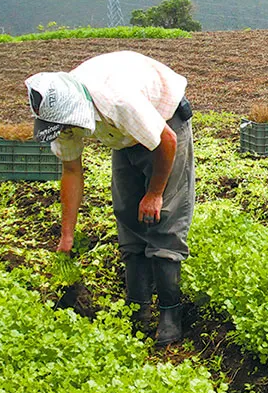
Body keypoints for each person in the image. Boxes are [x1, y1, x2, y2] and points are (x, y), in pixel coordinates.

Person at [25, 51, 194, 346]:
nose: (64, 133)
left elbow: (166, 141)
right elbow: (71, 170)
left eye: (65, 128)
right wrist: (67, 235)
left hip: (165, 123)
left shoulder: (118, 101)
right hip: (123, 136)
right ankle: (137, 308)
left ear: (73, 115)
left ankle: (170, 313)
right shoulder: (61, 112)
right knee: (128, 213)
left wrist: (154, 194)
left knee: (163, 216)